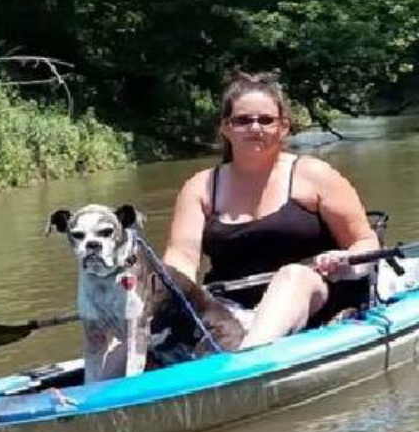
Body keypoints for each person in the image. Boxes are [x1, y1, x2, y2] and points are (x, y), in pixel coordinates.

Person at [162, 71, 379, 349]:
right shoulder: (200, 187)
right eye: (243, 121)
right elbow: (180, 258)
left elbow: (365, 241)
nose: (255, 128)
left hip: (315, 295)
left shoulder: (315, 175)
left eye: (266, 120)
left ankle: (246, 362)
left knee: (292, 275)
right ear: (226, 128)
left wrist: (343, 257)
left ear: (283, 127)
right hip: (229, 308)